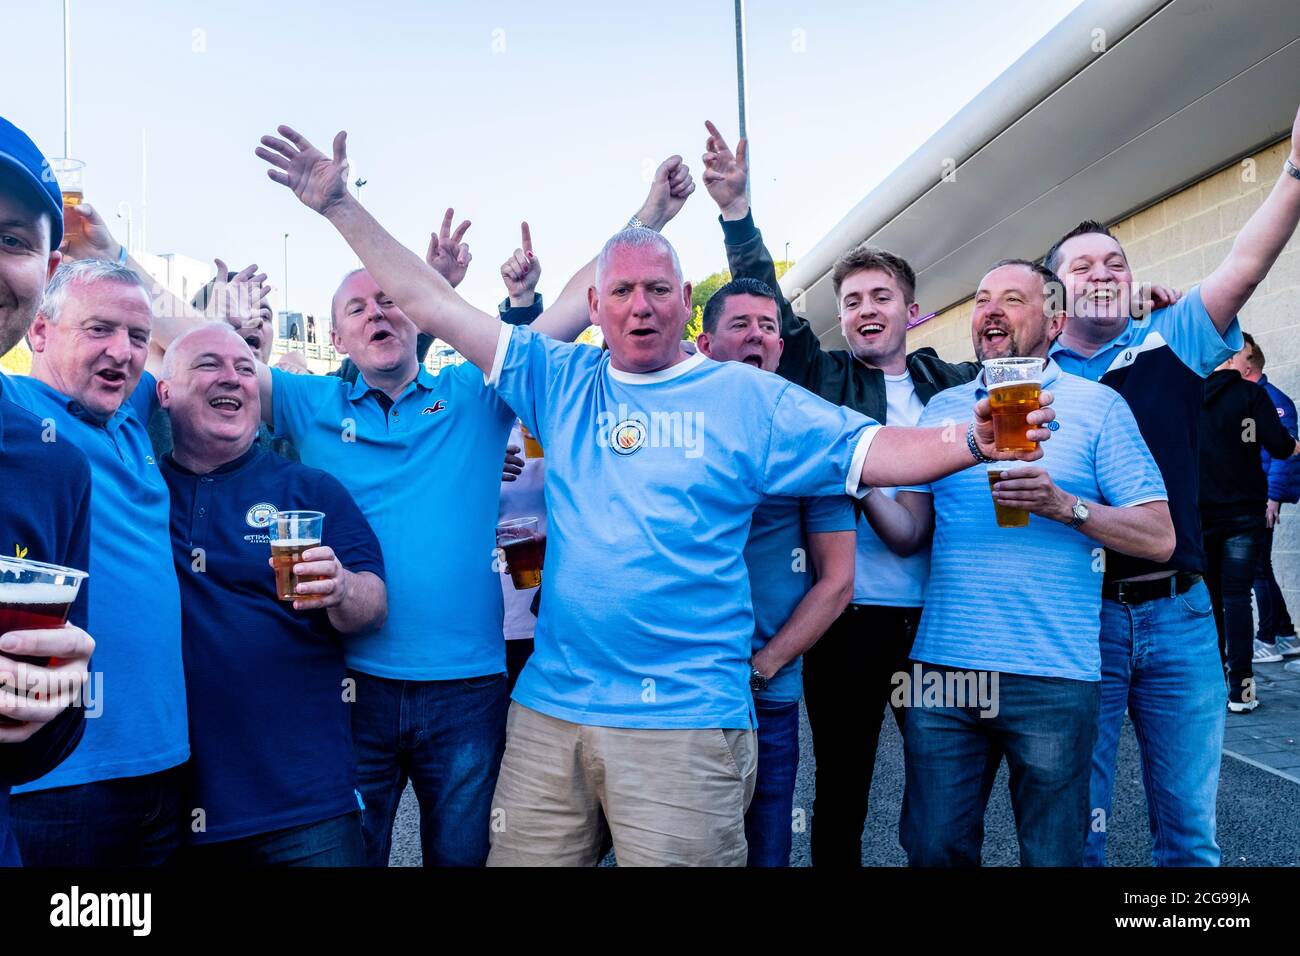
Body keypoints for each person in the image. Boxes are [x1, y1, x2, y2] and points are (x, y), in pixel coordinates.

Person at [255, 122, 1056, 866]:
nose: (641, 305)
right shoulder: (558, 377)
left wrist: (974, 440)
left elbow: (877, 449)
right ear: (595, 309)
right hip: (550, 713)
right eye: (623, 292)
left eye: (659, 290)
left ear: (685, 303)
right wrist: (339, 207)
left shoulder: (748, 398)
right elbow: (431, 303)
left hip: (683, 725)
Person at [251, 131, 697, 867]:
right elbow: (207, 365)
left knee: (462, 861)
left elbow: (573, 309)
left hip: (466, 690)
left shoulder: (475, 392)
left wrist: (650, 214)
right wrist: (92, 261)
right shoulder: (307, 402)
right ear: (335, 334)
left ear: (422, 315)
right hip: (347, 681)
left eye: (393, 298)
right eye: (358, 308)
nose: (379, 312)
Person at [701, 119, 976, 866]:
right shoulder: (821, 376)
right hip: (847, 622)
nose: (864, 310)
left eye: (880, 296)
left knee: (942, 790)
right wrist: (736, 214)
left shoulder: (950, 385)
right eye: (851, 300)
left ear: (909, 309)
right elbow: (772, 322)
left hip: (939, 626)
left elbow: (1026, 364)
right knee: (844, 786)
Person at [1047, 102, 1300, 867]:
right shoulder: (1028, 383)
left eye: (1115, 262)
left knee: (1190, 835)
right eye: (1082, 265)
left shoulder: (1171, 343)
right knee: (1076, 831)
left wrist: (1292, 174)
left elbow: (1243, 266)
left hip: (1180, 615)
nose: (1103, 273)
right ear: (1054, 293)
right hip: (1076, 619)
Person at [895, 259, 1172, 866]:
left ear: (1054, 322)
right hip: (944, 672)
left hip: (1052, 672)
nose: (991, 310)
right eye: (982, 299)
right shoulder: (942, 411)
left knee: (1052, 856)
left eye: (1013, 299)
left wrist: (1065, 506)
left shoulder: (1099, 407)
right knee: (932, 848)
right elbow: (911, 531)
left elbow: (1159, 537)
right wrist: (854, 481)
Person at [158, 323, 386, 865]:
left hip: (305, 805)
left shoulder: (309, 489)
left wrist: (341, 588)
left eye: (244, 368)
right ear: (163, 393)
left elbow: (373, 606)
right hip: (169, 803)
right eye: (209, 365)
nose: (233, 378)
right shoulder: (138, 489)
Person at [5, 258, 193, 866]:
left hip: (163, 762)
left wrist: (112, 246)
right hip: (56, 777)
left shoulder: (130, 414)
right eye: (98, 329)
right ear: (38, 331)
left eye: (137, 338)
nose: (123, 351)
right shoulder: (14, 408)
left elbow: (187, 345)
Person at [694, 276, 856, 867]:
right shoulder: (674, 425)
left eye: (768, 326)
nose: (758, 335)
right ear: (706, 344)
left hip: (765, 691)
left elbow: (837, 581)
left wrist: (763, 668)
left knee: (767, 849)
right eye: (740, 324)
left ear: (781, 347)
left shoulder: (810, 433)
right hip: (678, 688)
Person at [0, 114, 96, 867]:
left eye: (11, 239)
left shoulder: (54, 466)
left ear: (49, 266)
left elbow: (50, 731)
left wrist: (50, 702)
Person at [1198, 350, 1300, 711]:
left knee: (1209, 600)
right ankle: (1241, 691)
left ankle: (1210, 684)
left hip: (1200, 514)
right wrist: (1293, 446)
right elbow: (1280, 445)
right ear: (1231, 361)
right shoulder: (1250, 395)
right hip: (1243, 513)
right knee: (1237, 597)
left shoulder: (1188, 394)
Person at [1228, 334, 1300, 662]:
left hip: (1261, 500)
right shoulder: (1249, 397)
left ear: (1249, 365)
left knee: (1257, 568)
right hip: (1251, 496)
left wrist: (1273, 499)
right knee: (1261, 566)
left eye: (1235, 356)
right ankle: (1286, 634)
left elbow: (1287, 453)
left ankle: (1267, 639)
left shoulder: (1273, 400)